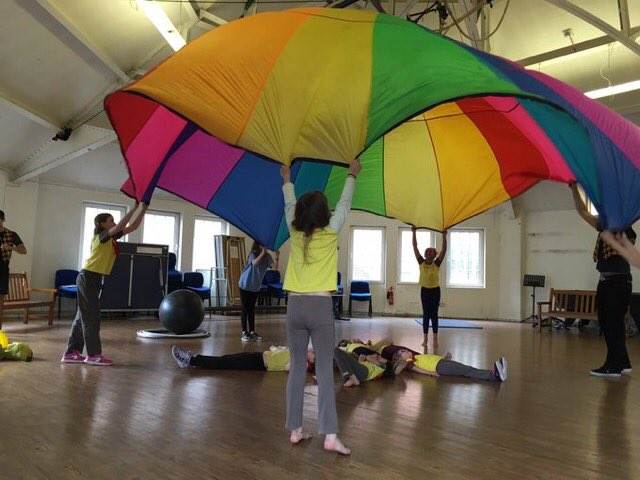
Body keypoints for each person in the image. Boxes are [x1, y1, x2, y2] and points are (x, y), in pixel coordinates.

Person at [280, 159, 361, 455]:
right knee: (325, 371)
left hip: (294, 306)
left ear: (301, 214)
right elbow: (345, 203)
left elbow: (289, 202)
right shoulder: (332, 231)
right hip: (319, 306)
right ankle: (329, 436)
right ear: (324, 214)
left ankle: (296, 430)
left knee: (297, 368)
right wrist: (351, 175)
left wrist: (287, 178)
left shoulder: (293, 230)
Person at [61, 203, 147, 366]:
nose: (114, 223)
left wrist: (143, 208)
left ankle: (71, 352)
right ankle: (93, 355)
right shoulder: (101, 237)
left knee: (83, 317)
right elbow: (122, 225)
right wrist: (134, 208)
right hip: (88, 277)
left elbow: (133, 226)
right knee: (92, 317)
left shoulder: (111, 238)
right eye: (110, 220)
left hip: (92, 278)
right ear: (101, 224)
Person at [570, 183, 635, 377]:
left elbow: (585, 211)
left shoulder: (620, 228)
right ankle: (622, 362)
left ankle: (613, 366)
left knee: (610, 324)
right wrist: (574, 189)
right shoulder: (615, 226)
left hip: (614, 283)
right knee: (614, 323)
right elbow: (584, 210)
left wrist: (576, 189)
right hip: (618, 282)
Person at [412, 227, 447, 347]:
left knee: (434, 314)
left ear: (434, 255)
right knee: (426, 314)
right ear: (426, 254)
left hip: (435, 291)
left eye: (433, 252)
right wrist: (414, 232)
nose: (430, 253)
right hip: (425, 291)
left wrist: (444, 235)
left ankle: (435, 339)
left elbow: (444, 251)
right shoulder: (421, 262)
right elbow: (415, 247)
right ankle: (425, 339)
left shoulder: (436, 263)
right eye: (428, 252)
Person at [170, 344, 315, 372]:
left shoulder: (299, 362)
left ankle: (191, 360)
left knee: (224, 362)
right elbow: (274, 348)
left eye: (313, 352)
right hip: (258, 356)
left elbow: (289, 369)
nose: (311, 349)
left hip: (258, 364)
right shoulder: (295, 352)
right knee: (225, 359)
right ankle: (194, 361)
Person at [238, 240, 273, 342]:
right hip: (245, 284)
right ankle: (244, 332)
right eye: (262, 244)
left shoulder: (267, 256)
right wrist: (263, 252)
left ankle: (252, 331)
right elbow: (255, 263)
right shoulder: (253, 254)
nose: (265, 246)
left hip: (255, 287)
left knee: (252, 309)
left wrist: (277, 256)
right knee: (245, 308)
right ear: (258, 245)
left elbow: (274, 267)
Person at [0, 210, 27, 325]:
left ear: (3, 220)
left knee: (0, 300)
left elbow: (24, 250)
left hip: (3, 269)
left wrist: (11, 248)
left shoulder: (11, 234)